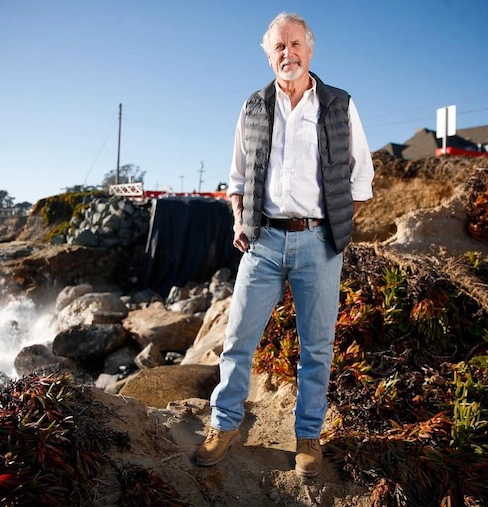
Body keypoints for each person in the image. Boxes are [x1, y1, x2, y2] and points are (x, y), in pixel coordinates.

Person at [195, 12, 374, 478]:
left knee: (317, 347)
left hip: (319, 242)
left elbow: (362, 177)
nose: (287, 54)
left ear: (310, 50)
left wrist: (333, 226)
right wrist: (239, 216)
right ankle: (224, 425)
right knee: (238, 340)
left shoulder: (339, 104)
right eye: (278, 47)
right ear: (268, 53)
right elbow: (236, 177)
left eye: (295, 45)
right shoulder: (253, 106)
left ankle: (308, 437)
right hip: (262, 240)